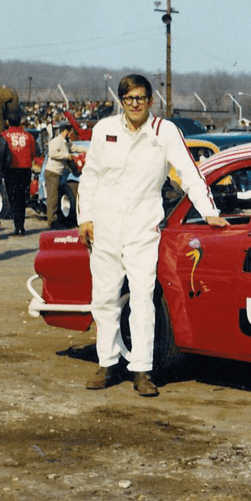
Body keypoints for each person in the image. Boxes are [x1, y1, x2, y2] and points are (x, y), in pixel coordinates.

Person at [77, 74, 229, 397]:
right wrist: (85, 218)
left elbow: (190, 173)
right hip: (104, 227)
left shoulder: (165, 132)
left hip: (143, 227)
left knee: (143, 299)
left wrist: (209, 212)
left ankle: (142, 371)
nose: (135, 104)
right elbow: (89, 177)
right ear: (121, 101)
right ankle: (106, 364)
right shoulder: (104, 130)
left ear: (150, 101)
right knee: (104, 298)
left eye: (141, 98)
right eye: (129, 98)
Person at [2, 116, 36, 235]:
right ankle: (20, 225)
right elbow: (33, 153)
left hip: (11, 169)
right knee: (21, 197)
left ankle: (18, 225)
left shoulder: (4, 135)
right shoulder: (28, 136)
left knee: (13, 197)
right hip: (25, 169)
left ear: (8, 122)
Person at [44, 123, 81, 228]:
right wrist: (67, 156)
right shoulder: (56, 141)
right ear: (66, 131)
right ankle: (52, 221)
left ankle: (56, 219)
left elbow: (76, 148)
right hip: (52, 172)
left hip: (58, 173)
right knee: (53, 197)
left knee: (56, 196)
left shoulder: (66, 143)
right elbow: (52, 153)